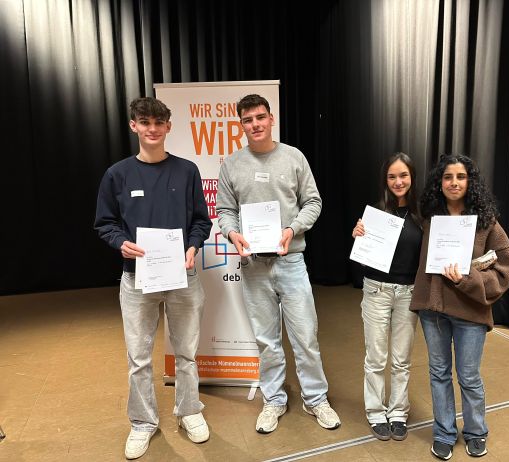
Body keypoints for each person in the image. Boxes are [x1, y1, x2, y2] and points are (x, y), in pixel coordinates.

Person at [94, 97, 212, 460]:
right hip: (137, 280)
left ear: (168, 127)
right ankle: (143, 422)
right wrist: (120, 243)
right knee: (139, 358)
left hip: (182, 276)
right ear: (134, 126)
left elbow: (201, 221)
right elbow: (105, 223)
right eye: (145, 122)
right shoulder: (117, 174)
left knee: (187, 353)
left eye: (159, 123)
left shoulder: (187, 171)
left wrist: (193, 246)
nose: (152, 129)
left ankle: (189, 411)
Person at [216, 94, 341, 434]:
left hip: (291, 260)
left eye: (260, 117)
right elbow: (225, 210)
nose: (255, 124)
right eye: (247, 120)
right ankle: (273, 400)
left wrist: (292, 229)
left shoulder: (293, 157)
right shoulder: (231, 165)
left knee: (305, 335)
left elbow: (313, 202)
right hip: (253, 266)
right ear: (241, 125)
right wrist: (233, 234)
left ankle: (315, 399)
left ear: (271, 119)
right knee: (266, 340)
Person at [410, 154, 509, 460]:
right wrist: (366, 232)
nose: (454, 183)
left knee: (468, 376)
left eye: (460, 177)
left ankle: (476, 431)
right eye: (447, 177)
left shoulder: (485, 222)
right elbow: (399, 235)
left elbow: (505, 266)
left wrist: (470, 281)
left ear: (470, 182)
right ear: (439, 183)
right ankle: (444, 432)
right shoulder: (429, 218)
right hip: (433, 311)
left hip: (470, 313)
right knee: (438, 373)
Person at [351, 153, 423, 442]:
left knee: (402, 359)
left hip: (408, 294)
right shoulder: (375, 214)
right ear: (385, 180)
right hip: (376, 290)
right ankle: (375, 411)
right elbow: (364, 257)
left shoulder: (423, 215)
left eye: (403, 175)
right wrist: (358, 237)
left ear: (412, 177)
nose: (398, 181)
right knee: (376, 357)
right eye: (392, 176)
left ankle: (398, 412)